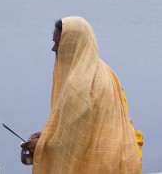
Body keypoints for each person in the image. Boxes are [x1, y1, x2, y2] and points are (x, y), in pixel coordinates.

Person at [20, 17, 143, 173]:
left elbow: (71, 143)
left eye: (58, 44)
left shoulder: (78, 86)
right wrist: (48, 135)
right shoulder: (103, 70)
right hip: (119, 157)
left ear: (72, 46)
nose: (53, 49)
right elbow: (87, 127)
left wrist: (40, 146)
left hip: (96, 165)